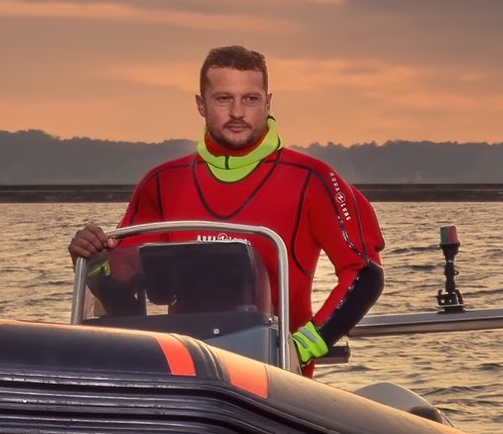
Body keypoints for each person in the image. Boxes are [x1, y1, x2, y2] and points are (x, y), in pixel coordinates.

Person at [66, 44, 387, 366]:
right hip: (187, 372)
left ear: (268, 102)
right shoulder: (162, 182)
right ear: (201, 104)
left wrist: (301, 347)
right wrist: (92, 256)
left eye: (250, 98)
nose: (237, 112)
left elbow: (364, 272)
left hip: (274, 378)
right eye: (223, 99)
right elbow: (123, 277)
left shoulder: (314, 179)